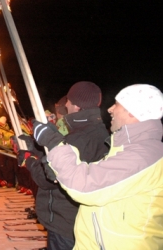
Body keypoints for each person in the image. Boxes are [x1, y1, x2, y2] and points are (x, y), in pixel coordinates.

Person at [43, 84, 163, 250]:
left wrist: (54, 144)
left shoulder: (143, 155)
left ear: (133, 111)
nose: (110, 109)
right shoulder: (124, 149)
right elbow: (92, 175)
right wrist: (59, 169)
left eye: (117, 105)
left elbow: (85, 186)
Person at [23, 81, 110, 250]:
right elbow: (62, 157)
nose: (66, 104)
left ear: (77, 106)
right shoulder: (97, 130)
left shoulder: (80, 138)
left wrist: (29, 159)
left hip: (66, 221)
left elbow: (47, 178)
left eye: (69, 100)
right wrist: (36, 148)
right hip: (73, 220)